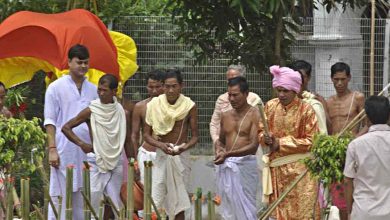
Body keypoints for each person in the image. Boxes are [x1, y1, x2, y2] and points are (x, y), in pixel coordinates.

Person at [44, 44, 98, 220]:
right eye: (79, 62)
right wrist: (52, 149)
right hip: (63, 148)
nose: (83, 66)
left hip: (87, 150)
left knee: (85, 192)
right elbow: (50, 121)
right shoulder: (55, 87)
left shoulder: (94, 89)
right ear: (69, 62)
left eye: (86, 62)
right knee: (61, 193)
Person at [259, 65, 319, 219]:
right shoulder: (270, 106)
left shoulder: (306, 110)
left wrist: (281, 143)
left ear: (295, 90)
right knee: (278, 214)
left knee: (303, 214)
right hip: (277, 172)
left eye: (285, 90)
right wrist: (265, 139)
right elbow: (260, 131)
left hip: (302, 173)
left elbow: (312, 141)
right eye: (279, 90)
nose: (281, 94)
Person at [62, 74, 127, 217]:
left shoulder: (121, 111)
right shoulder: (91, 110)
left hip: (116, 161)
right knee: (92, 203)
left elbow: (126, 139)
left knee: (116, 202)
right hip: (96, 161)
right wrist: (82, 144)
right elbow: (66, 127)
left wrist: (134, 161)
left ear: (114, 91)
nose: (101, 93)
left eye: (105, 90)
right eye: (99, 90)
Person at [143, 69, 198, 220]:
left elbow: (194, 137)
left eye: (174, 86)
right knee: (157, 197)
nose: (170, 90)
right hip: (161, 155)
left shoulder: (189, 105)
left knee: (180, 198)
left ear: (182, 86)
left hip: (181, 156)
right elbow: (146, 135)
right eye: (167, 86)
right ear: (163, 86)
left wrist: (182, 148)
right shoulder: (154, 105)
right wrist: (160, 146)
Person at [214, 76, 260, 220]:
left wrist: (227, 155)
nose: (232, 99)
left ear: (246, 94)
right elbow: (221, 141)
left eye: (235, 95)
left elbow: (253, 146)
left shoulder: (255, 114)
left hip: (245, 166)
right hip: (226, 166)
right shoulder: (225, 115)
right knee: (228, 208)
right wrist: (219, 150)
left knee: (248, 209)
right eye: (229, 95)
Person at [326, 62, 365, 220]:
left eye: (343, 79)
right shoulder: (329, 102)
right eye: (336, 79)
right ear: (331, 79)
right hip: (336, 155)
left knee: (355, 191)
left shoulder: (357, 97)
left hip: (355, 151)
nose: (339, 83)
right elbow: (329, 130)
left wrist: (355, 140)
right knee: (339, 197)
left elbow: (367, 124)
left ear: (349, 78)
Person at [344, 96, 390, 220]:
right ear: (389, 116)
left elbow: (347, 181)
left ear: (367, 118)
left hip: (363, 211)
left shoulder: (355, 145)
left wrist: (349, 211)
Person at [210, 64, 262, 148]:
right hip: (223, 148)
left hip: (249, 150)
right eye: (228, 79)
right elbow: (214, 123)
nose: (231, 81)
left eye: (234, 78)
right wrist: (217, 142)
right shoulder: (221, 99)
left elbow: (261, 126)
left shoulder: (255, 99)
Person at [131, 70, 165, 184]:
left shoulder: (174, 107)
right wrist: (135, 160)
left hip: (166, 154)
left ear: (164, 86)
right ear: (146, 87)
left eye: (158, 87)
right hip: (146, 154)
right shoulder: (140, 107)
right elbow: (134, 135)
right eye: (151, 87)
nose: (154, 90)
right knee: (146, 191)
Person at [291, 60, 328, 134]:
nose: (299, 80)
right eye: (296, 77)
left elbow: (326, 128)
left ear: (309, 78)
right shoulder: (286, 99)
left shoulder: (316, 101)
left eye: (302, 77)